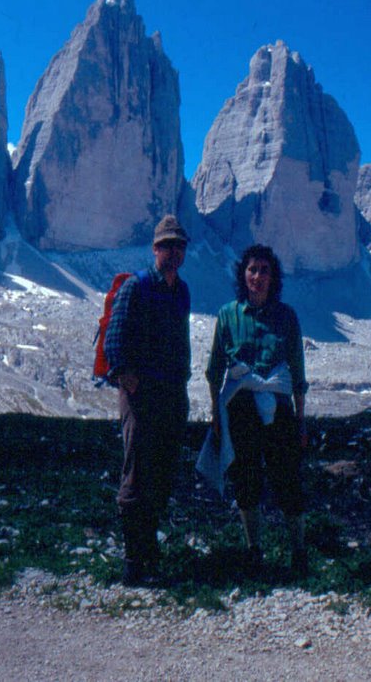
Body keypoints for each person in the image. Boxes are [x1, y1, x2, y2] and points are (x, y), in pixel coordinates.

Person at [205, 244, 309, 576]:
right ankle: (254, 549)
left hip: (278, 407)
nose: (258, 276)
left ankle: (298, 549)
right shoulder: (227, 315)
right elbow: (214, 369)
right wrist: (214, 415)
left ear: (273, 276)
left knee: (287, 477)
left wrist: (301, 419)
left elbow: (297, 371)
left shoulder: (287, 316)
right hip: (240, 409)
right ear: (243, 275)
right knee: (246, 479)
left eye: (264, 270)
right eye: (252, 269)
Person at [104, 215, 191, 586]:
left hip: (170, 395)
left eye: (179, 246)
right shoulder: (136, 287)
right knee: (136, 473)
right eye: (167, 245)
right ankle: (132, 562)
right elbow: (114, 340)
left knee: (160, 474)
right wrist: (128, 378)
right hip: (141, 396)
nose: (173, 251)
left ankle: (148, 555)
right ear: (155, 249)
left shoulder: (181, 291)